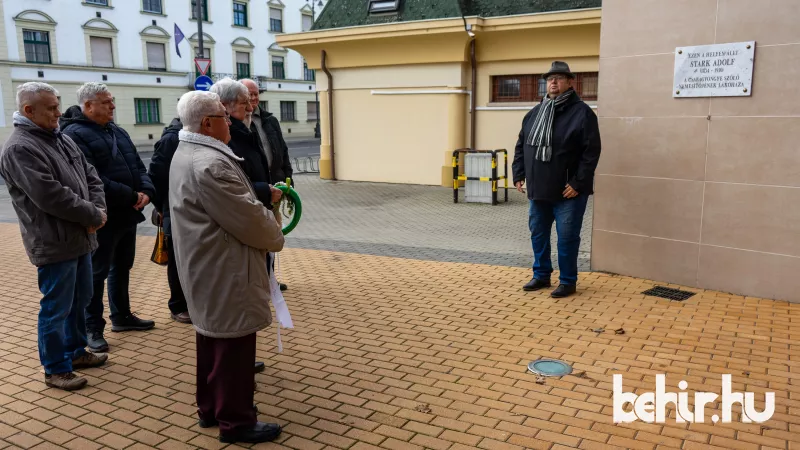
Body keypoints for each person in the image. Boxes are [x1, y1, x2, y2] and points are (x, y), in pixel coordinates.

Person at [169, 91, 284, 444]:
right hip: (225, 268)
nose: (231, 120)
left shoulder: (188, 152)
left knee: (213, 340)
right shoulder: (210, 163)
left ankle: (211, 408)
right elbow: (249, 219)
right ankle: (236, 422)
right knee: (234, 346)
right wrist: (274, 232)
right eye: (223, 115)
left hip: (208, 265)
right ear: (207, 123)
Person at [0, 82, 109, 390]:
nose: (59, 112)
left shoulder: (59, 137)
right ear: (28, 111)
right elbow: (51, 196)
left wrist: (97, 210)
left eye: (57, 105)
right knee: (56, 308)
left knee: (80, 300)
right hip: (54, 243)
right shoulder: (20, 147)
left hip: (81, 237)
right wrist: (92, 215)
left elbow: (91, 176)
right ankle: (55, 368)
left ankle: (75, 352)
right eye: (51, 108)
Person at [60, 82, 156, 352]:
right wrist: (131, 195)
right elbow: (91, 178)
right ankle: (93, 328)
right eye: (106, 102)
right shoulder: (73, 135)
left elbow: (138, 165)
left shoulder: (117, 131)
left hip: (127, 214)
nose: (113, 106)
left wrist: (146, 191)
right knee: (96, 273)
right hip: (102, 217)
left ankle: (122, 316)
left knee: (122, 266)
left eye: (112, 100)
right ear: (88, 106)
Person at [512, 61, 601, 298]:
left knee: (567, 238)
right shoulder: (534, 113)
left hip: (568, 192)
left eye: (559, 78)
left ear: (570, 82)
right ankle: (541, 275)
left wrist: (578, 183)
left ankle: (567, 280)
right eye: (550, 78)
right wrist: (518, 174)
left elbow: (591, 152)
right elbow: (521, 146)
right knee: (538, 234)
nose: (553, 82)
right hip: (539, 189)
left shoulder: (582, 113)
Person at [240, 78, 290, 291]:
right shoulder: (240, 121)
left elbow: (283, 150)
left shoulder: (269, 120)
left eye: (255, 93)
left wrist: (288, 178)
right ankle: (259, 280)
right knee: (256, 237)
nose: (253, 97)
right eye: (248, 94)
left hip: (275, 187)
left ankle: (270, 278)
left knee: (271, 236)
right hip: (255, 191)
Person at [148, 118, 191, 324]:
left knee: (189, 259)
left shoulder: (190, 135)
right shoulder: (172, 138)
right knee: (176, 259)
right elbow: (155, 176)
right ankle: (178, 306)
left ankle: (190, 302)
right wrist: (161, 207)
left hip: (187, 210)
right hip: (172, 208)